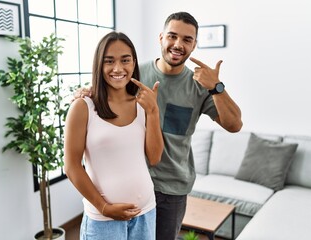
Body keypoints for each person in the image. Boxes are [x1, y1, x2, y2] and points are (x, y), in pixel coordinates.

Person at [75, 12, 242, 240]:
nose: (177, 44)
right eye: (172, 36)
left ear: (194, 45)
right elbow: (105, 89)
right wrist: (86, 91)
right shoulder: (134, 74)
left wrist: (216, 87)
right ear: (161, 37)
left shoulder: (200, 86)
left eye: (187, 39)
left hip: (170, 190)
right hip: (132, 185)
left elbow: (234, 125)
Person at [64, 31, 164, 240]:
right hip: (103, 221)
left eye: (125, 60)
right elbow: (71, 166)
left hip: (145, 212)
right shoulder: (83, 107)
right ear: (99, 65)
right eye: (109, 61)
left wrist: (153, 112)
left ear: (134, 63)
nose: (118, 68)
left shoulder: (143, 105)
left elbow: (154, 158)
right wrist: (103, 207)